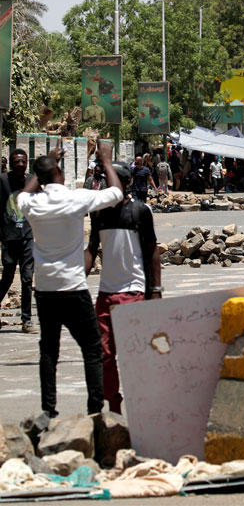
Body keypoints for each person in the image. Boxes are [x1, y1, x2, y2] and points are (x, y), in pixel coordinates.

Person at [18, 142, 123, 418]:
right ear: (61, 175)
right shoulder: (76, 198)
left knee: (49, 351)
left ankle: (49, 410)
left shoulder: (32, 203)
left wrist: (44, 166)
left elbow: (21, 196)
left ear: (39, 179)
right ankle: (94, 410)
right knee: (91, 348)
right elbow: (115, 193)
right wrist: (108, 162)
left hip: (45, 288)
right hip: (73, 287)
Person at [84, 161, 161, 413]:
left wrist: (156, 290)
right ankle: (114, 408)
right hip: (106, 294)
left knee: (135, 357)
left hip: (134, 292)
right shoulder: (99, 213)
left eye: (112, 179)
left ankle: (141, 408)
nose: (108, 184)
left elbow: (152, 253)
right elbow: (92, 249)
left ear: (126, 184)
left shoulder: (140, 211)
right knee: (105, 356)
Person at [0, 149, 35, 333]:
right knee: (7, 278)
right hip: (9, 237)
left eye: (23, 161)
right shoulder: (3, 180)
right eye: (17, 161)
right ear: (12, 164)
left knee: (27, 279)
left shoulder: (32, 181)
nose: (20, 164)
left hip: (28, 237)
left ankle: (26, 320)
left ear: (27, 162)